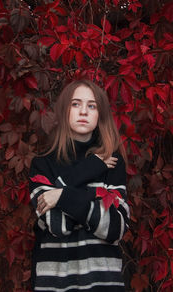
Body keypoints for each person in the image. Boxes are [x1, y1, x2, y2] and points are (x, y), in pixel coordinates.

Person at [29, 79, 130, 292]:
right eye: (75, 104)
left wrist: (61, 196)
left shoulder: (112, 163)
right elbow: (58, 225)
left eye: (91, 105)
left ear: (100, 114)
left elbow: (114, 227)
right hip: (55, 284)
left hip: (104, 284)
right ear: (64, 110)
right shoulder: (42, 165)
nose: (83, 111)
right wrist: (90, 174)